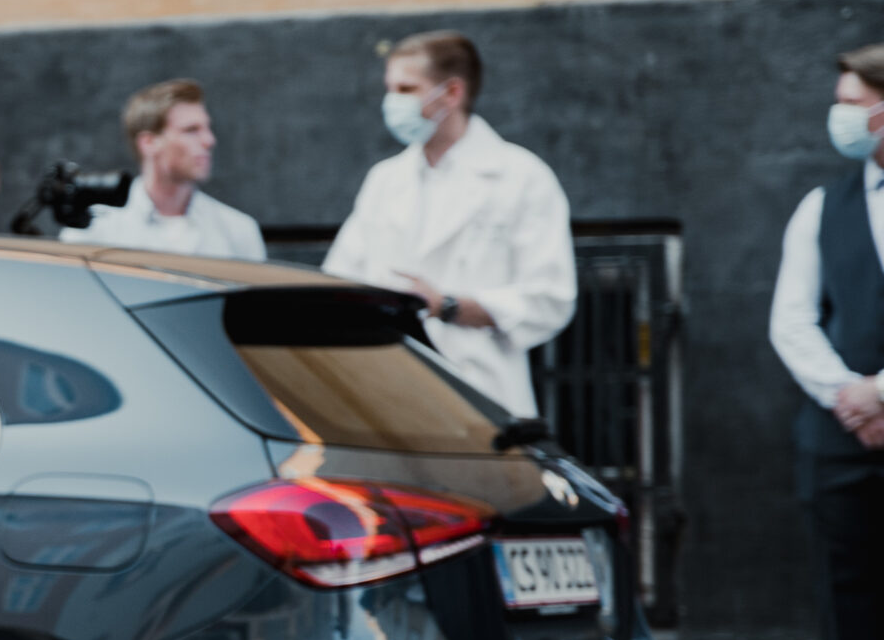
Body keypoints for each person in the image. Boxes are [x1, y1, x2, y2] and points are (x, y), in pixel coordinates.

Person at [321, 31, 576, 419]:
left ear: (452, 92)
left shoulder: (521, 176)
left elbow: (550, 300)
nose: (393, 102)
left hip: (482, 391)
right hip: (387, 393)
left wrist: (449, 306)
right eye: (390, 89)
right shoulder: (384, 180)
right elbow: (340, 279)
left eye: (407, 89)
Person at [768, 43, 884, 640]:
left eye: (851, 100)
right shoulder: (821, 206)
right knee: (848, 615)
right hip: (841, 441)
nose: (838, 115)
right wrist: (852, 397)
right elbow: (792, 321)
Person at [64, 77, 265, 259]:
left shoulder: (238, 231)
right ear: (149, 142)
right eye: (191, 130)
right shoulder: (94, 228)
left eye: (207, 128)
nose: (209, 140)